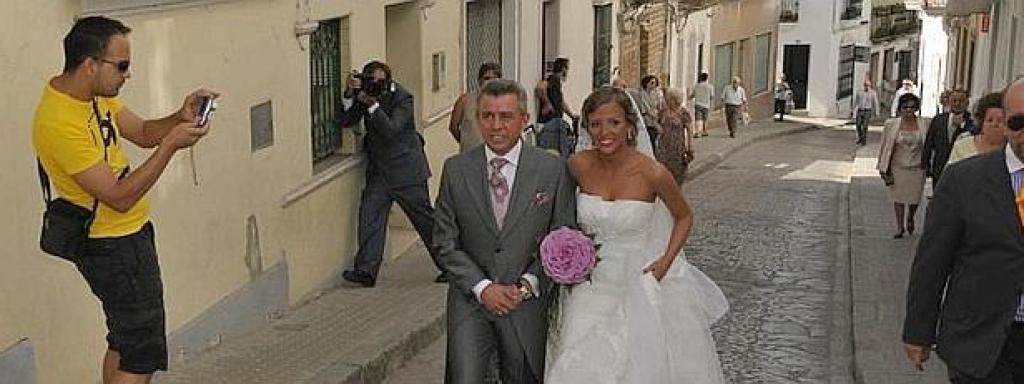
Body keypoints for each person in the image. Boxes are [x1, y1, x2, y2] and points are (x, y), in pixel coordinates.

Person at [32, 16, 215, 383]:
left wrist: (179, 117)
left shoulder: (93, 96)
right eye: (122, 66)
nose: (127, 75)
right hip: (111, 247)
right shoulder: (58, 122)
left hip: (129, 238)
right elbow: (118, 197)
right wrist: (170, 146)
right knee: (141, 355)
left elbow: (144, 132)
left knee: (124, 340)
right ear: (90, 65)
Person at [547, 87, 728, 383]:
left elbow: (684, 217)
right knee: (576, 359)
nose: (604, 132)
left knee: (636, 367)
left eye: (614, 123)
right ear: (587, 128)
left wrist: (665, 262)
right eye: (595, 124)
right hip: (589, 284)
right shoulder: (578, 165)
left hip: (637, 281)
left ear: (630, 126)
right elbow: (560, 215)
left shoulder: (653, 173)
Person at [434, 79, 576, 383]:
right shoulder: (456, 169)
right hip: (470, 300)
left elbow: (562, 235)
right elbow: (444, 241)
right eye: (488, 116)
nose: (496, 126)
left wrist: (527, 284)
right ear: (477, 119)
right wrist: (482, 287)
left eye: (506, 116)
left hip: (524, 303)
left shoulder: (551, 169)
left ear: (524, 119)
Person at [902, 78, 1024, 382]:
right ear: (1004, 123)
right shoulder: (963, 180)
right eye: (1019, 122)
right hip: (978, 342)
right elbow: (932, 262)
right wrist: (918, 332)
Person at [339, 61, 443, 287]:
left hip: (407, 171)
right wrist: (350, 95)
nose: (376, 86)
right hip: (380, 172)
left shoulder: (403, 98)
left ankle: (451, 265)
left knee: (425, 221)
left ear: (388, 82)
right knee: (370, 218)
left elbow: (391, 130)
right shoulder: (364, 94)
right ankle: (366, 271)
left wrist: (372, 105)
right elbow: (347, 121)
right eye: (372, 81)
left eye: (380, 82)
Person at [877, 93, 929, 238]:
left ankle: (910, 216)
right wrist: (881, 165)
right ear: (900, 109)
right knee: (898, 198)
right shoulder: (891, 124)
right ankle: (899, 227)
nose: (909, 110)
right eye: (905, 107)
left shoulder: (924, 123)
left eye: (912, 107)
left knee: (915, 198)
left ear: (916, 108)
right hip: (897, 166)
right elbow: (884, 145)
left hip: (917, 167)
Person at [923, 89, 975, 187]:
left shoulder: (972, 122)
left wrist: (962, 126)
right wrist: (926, 165)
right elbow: (929, 143)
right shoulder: (938, 120)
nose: (957, 104)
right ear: (949, 101)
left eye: (961, 101)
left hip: (962, 168)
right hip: (939, 168)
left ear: (967, 103)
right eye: (954, 100)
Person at [449, 62, 502, 153]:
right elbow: (453, 127)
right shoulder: (465, 101)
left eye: (494, 78)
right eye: (487, 78)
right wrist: (465, 141)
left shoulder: (504, 103)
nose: (490, 82)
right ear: (480, 81)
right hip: (469, 154)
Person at [535, 58, 579, 157]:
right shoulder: (553, 78)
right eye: (567, 68)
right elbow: (540, 88)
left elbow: (561, 102)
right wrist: (547, 103)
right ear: (563, 69)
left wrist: (571, 115)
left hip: (555, 121)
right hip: (549, 122)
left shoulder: (557, 83)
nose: (567, 72)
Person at [948, 92, 1006, 165]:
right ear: (982, 122)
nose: (994, 124)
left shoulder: (1013, 149)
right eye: (990, 120)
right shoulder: (962, 146)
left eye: (1000, 121)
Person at [655, 88, 693, 184]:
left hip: (677, 147)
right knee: (663, 171)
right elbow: (656, 122)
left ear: (675, 100)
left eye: (669, 99)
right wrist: (658, 127)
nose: (667, 101)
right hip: (664, 147)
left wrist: (690, 145)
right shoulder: (663, 111)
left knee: (677, 173)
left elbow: (689, 129)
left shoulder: (683, 112)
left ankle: (676, 190)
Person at [853, 81, 880, 145]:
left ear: (870, 86)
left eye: (868, 85)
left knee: (865, 126)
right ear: (864, 85)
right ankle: (860, 137)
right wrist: (853, 110)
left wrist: (877, 112)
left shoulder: (873, 93)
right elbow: (856, 101)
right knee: (858, 125)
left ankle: (863, 140)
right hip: (860, 110)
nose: (867, 87)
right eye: (866, 85)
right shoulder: (859, 92)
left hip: (867, 111)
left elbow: (875, 103)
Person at [690, 73, 714, 138]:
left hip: (698, 104)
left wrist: (689, 98)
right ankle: (704, 131)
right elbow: (712, 96)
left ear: (701, 78)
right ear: (707, 78)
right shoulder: (710, 86)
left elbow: (693, 94)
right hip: (706, 105)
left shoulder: (697, 86)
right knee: (705, 118)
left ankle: (697, 132)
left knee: (698, 119)